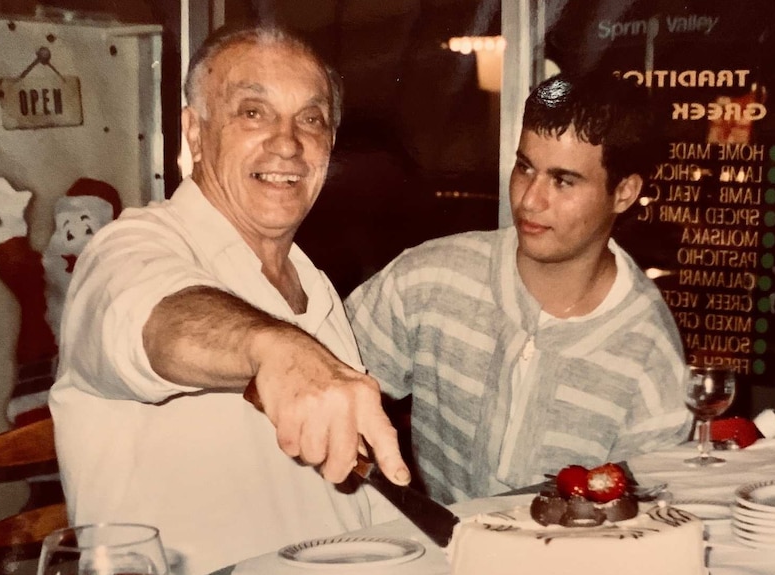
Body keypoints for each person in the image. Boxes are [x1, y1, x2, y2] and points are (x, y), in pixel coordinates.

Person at [49, 24, 410, 575]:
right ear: (194, 133)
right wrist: (273, 350)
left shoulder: (310, 281)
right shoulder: (127, 248)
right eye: (252, 112)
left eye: (311, 119)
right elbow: (153, 319)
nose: (288, 143)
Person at [345, 71, 692, 505]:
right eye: (525, 167)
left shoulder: (649, 354)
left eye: (563, 181)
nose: (529, 200)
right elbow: (321, 384)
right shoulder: (429, 278)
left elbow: (646, 523)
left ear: (623, 193)